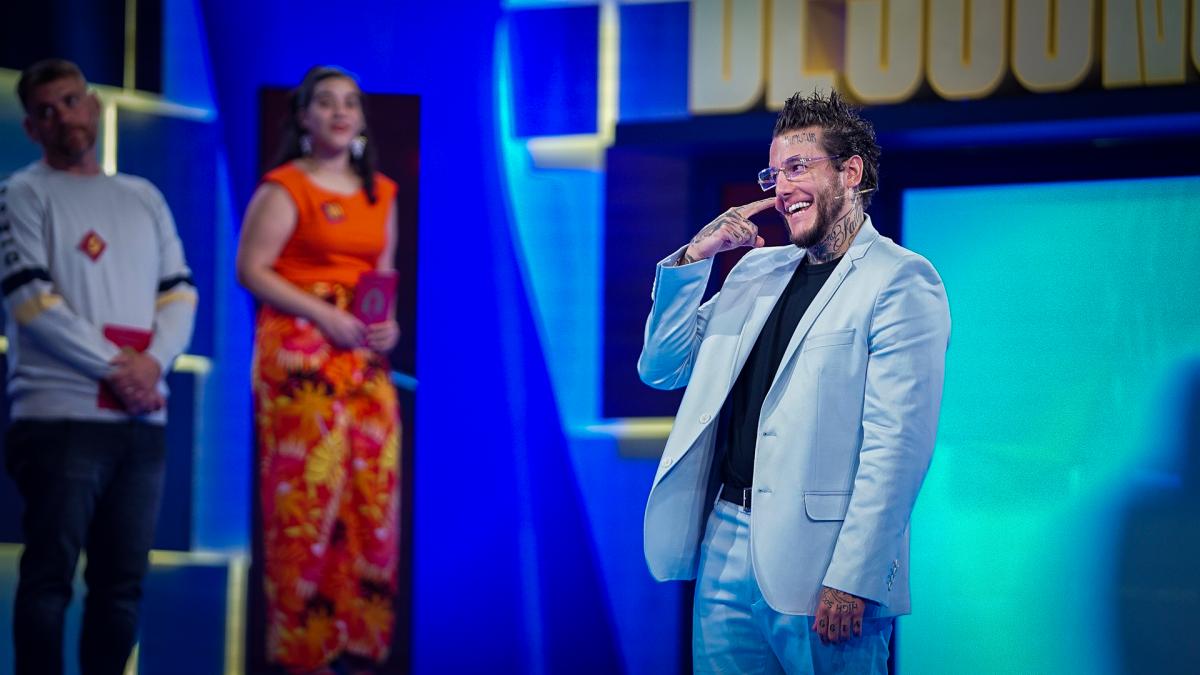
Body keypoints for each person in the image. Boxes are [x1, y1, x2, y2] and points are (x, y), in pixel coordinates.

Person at [639, 90, 951, 674]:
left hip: (823, 561)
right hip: (725, 539)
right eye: (775, 173)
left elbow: (897, 447)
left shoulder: (900, 279)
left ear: (850, 173)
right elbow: (662, 367)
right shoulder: (756, 270)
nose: (781, 188)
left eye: (798, 167)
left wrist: (855, 575)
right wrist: (696, 258)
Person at [0, 59, 197, 675]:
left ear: (94, 105)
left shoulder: (143, 197)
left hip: (140, 424)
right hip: (60, 419)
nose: (63, 117)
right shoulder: (21, 193)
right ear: (31, 128)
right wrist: (122, 369)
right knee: (49, 579)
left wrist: (154, 363)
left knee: (122, 586)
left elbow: (180, 292)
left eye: (70, 101)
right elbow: (31, 299)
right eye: (46, 110)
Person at [236, 65, 401, 675]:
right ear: (304, 116)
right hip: (299, 355)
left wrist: (389, 327)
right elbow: (251, 269)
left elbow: (382, 276)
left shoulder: (381, 192)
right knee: (306, 496)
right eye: (326, 102)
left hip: (361, 356)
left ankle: (357, 642)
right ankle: (304, 648)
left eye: (350, 103)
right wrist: (322, 313)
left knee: (371, 493)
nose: (339, 112)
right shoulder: (284, 187)